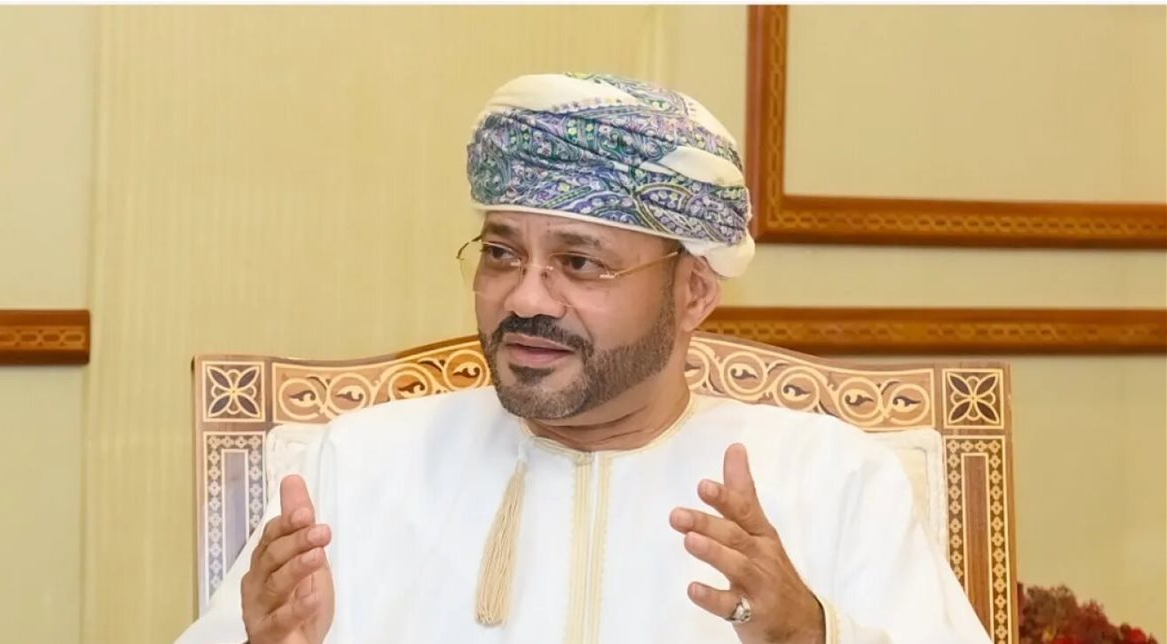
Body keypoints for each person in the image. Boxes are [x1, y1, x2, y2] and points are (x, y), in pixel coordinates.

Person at [176, 73, 990, 644]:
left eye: (580, 263)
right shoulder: (358, 467)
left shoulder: (832, 479)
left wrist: (812, 635)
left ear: (694, 293)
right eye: (502, 254)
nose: (525, 298)